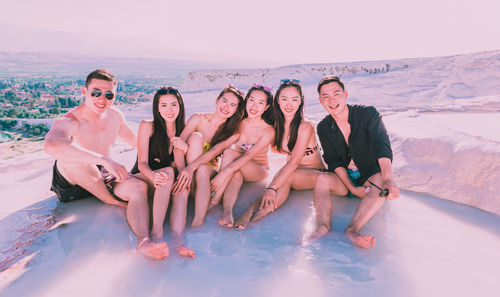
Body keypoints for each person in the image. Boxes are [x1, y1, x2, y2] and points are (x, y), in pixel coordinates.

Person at [44, 69, 169, 260]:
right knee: (72, 159)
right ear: (84, 92)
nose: (102, 99)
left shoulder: (114, 116)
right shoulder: (70, 121)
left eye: (109, 94)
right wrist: (104, 160)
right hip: (74, 183)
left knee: (139, 186)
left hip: (103, 177)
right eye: (96, 93)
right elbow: (51, 145)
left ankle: (144, 241)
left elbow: (137, 143)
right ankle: (113, 201)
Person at [234, 79, 345, 229]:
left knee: (284, 177)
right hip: (296, 174)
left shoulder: (305, 126)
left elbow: (293, 162)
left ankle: (259, 215)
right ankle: (248, 213)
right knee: (284, 176)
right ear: (277, 101)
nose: (289, 104)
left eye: (294, 99)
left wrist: (272, 188)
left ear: (300, 102)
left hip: (317, 173)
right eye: (284, 99)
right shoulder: (275, 126)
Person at [311, 75, 400, 248]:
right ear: (320, 100)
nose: (332, 100)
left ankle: (352, 230)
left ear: (345, 94)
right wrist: (352, 188)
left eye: (336, 94)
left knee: (381, 180)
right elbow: (334, 161)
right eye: (325, 96)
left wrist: (389, 178)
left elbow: (381, 144)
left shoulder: (367, 114)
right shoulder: (323, 127)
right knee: (321, 179)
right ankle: (322, 226)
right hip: (344, 180)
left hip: (369, 176)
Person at [130, 86, 195, 258]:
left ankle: (178, 241)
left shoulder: (183, 131)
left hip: (165, 183)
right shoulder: (147, 127)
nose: (169, 110)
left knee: (182, 185)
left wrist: (185, 148)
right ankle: (157, 233)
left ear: (180, 106)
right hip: (143, 177)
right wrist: (153, 176)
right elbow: (142, 163)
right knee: (167, 172)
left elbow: (181, 167)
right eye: (164, 105)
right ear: (157, 108)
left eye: (174, 104)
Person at [171, 85, 245, 227]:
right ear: (217, 100)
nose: (226, 107)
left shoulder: (232, 133)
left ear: (236, 110)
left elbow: (212, 153)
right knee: (196, 137)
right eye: (224, 101)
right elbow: (177, 146)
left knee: (203, 169)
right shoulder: (198, 119)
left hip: (207, 173)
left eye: (232, 105)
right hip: (188, 172)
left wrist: (190, 166)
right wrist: (183, 171)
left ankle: (198, 221)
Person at [208, 84, 275, 227]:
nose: (254, 106)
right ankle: (227, 211)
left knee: (231, 153)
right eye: (251, 100)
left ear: (267, 107)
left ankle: (215, 200)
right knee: (236, 173)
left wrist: (222, 174)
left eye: (260, 103)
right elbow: (222, 145)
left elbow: (248, 156)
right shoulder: (239, 122)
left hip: (258, 169)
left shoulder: (267, 131)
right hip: (237, 166)